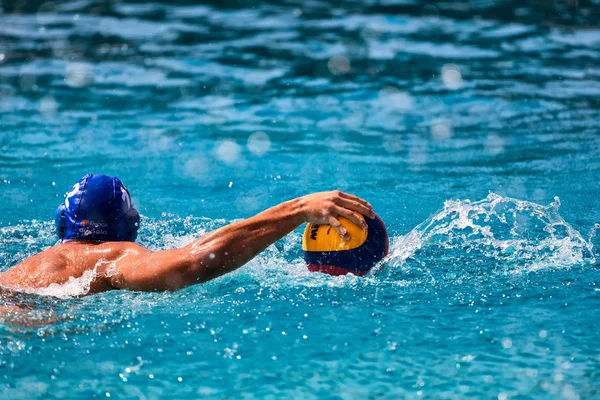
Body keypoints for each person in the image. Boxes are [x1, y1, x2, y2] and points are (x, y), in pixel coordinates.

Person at [0, 174, 375, 294]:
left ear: (61, 222)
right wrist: (298, 209)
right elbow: (194, 262)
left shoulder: (30, 266)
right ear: (129, 228)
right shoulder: (111, 257)